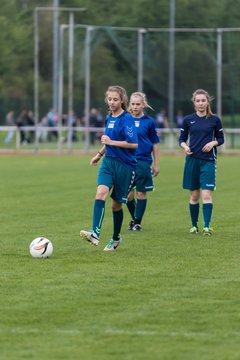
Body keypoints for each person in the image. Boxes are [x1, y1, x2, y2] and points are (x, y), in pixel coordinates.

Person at [80, 85, 138, 251]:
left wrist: (112, 142)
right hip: (108, 163)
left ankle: (115, 238)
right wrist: (99, 154)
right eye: (109, 99)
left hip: (125, 166)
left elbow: (133, 144)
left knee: (116, 206)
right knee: (100, 193)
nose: (112, 102)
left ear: (122, 101)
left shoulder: (126, 119)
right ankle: (95, 233)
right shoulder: (108, 118)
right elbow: (107, 141)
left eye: (115, 99)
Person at [179, 89, 224, 235]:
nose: (201, 103)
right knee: (194, 195)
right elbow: (181, 139)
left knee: (206, 195)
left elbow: (221, 138)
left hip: (208, 161)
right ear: (194, 103)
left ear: (208, 102)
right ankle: (194, 226)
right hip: (192, 161)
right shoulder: (187, 120)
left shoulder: (215, 120)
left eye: (203, 100)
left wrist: (213, 144)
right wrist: (185, 147)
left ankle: (206, 226)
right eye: (198, 101)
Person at [126, 92, 159, 231]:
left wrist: (156, 163)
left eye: (138, 104)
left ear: (143, 105)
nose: (135, 106)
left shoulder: (149, 122)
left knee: (141, 192)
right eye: (132, 104)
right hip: (127, 161)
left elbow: (155, 143)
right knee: (127, 195)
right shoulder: (125, 119)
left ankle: (137, 222)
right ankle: (135, 219)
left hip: (144, 160)